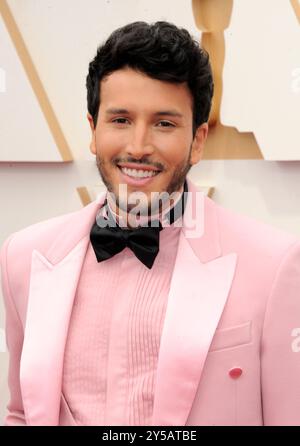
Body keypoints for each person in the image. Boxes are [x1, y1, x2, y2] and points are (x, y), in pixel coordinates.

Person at [1, 20, 300, 427]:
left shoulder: (273, 264)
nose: (138, 147)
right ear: (93, 130)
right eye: (120, 120)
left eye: (164, 123)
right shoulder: (23, 256)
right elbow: (21, 412)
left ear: (197, 140)